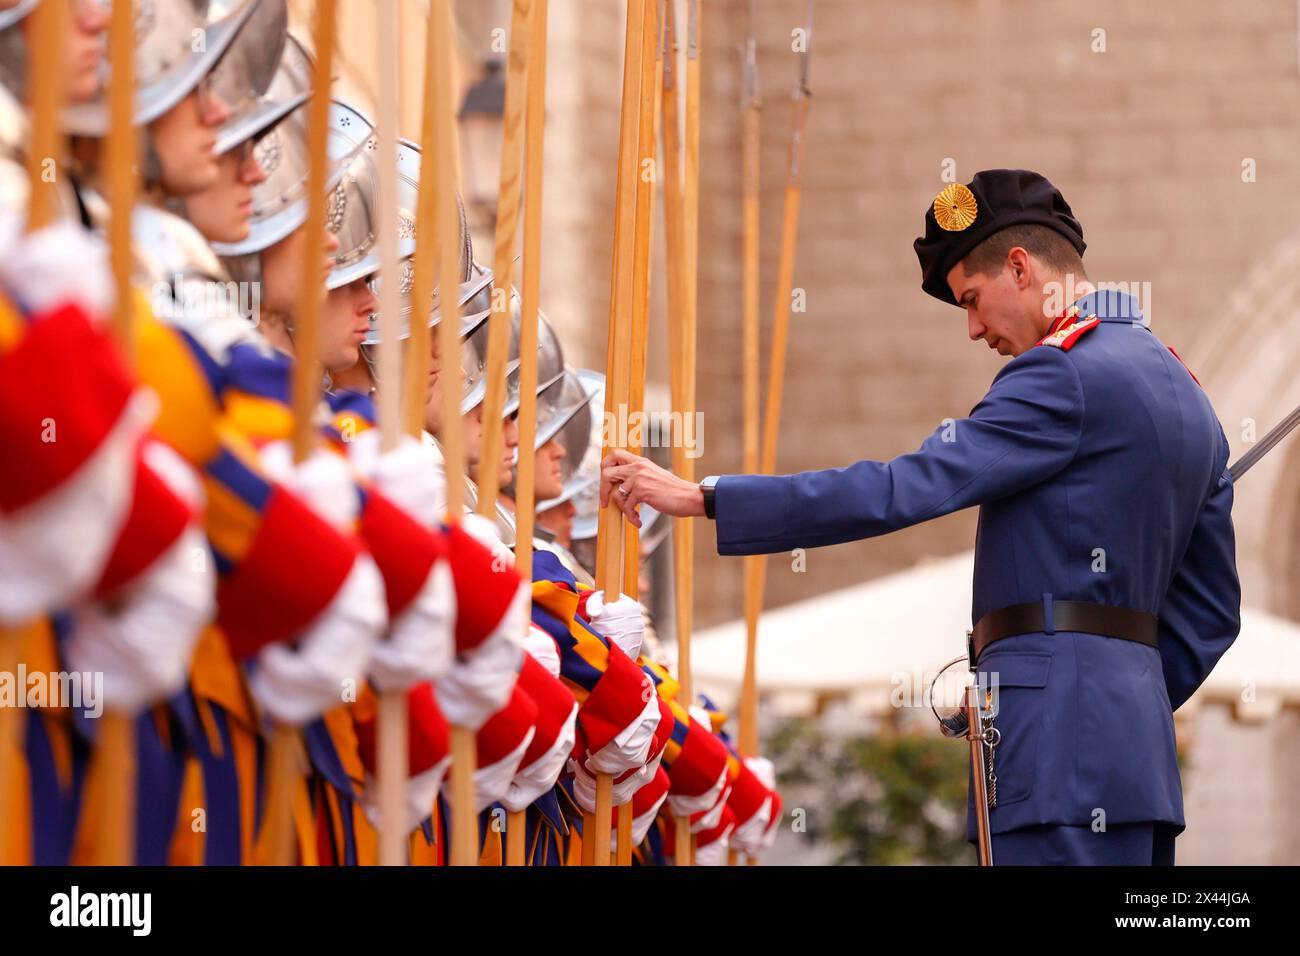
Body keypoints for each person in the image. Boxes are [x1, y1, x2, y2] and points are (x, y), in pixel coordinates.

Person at [599, 168, 1242, 866]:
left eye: (972, 299)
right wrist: (1112, 695)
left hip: (1052, 765)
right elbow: (1212, 612)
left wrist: (707, 498)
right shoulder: (1189, 395)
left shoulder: (1063, 374)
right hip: (1133, 770)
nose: (973, 330)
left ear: (1021, 269)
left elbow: (903, 487)